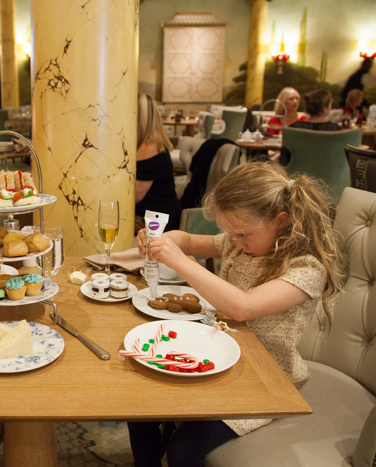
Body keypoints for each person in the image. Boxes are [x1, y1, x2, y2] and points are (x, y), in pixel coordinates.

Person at [131, 162, 344, 467]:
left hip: (262, 378)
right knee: (139, 406)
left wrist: (181, 262)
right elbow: (191, 241)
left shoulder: (305, 269)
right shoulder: (241, 244)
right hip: (216, 355)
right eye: (230, 234)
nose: (235, 242)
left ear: (281, 222)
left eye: (242, 234)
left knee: (184, 450)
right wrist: (165, 240)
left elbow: (242, 307)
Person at [134, 93, 181, 233]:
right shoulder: (146, 143)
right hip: (154, 213)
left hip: (156, 219)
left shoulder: (148, 146)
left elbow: (135, 197)